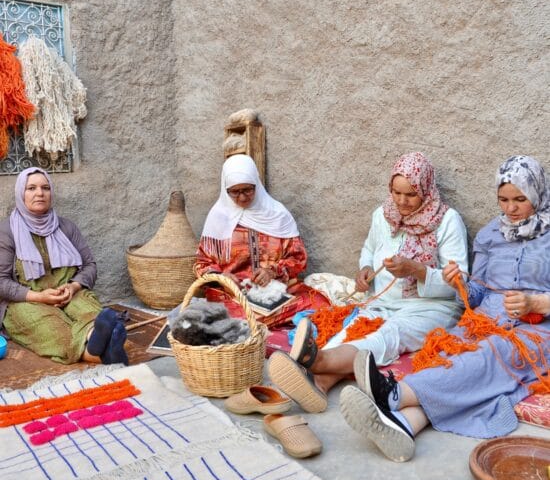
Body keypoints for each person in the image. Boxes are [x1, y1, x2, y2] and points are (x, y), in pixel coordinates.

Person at [339, 155, 550, 462]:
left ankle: (393, 395)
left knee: (491, 354)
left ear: (538, 194)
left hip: (536, 328)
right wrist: (460, 285)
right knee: (449, 352)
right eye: (503, 200)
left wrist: (536, 303)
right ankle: (404, 426)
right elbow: (476, 294)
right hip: (486, 317)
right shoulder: (492, 234)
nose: (511, 208)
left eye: (520, 199)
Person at [268, 151, 468, 412]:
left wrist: (416, 270)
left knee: (390, 334)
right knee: (354, 330)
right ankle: (320, 384)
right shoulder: (383, 214)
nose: (402, 201)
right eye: (396, 193)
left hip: (430, 307)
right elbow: (370, 250)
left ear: (427, 190)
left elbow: (460, 282)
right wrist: (364, 270)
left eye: (411, 194)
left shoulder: (447, 221)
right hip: (383, 302)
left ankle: (316, 363)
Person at [0, 167, 128, 365]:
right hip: (26, 300)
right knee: (51, 328)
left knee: (88, 311)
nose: (40, 193)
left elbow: (90, 265)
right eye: (31, 188)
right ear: (20, 194)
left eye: (45, 188)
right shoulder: (7, 231)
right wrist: (40, 296)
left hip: (68, 293)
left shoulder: (66, 227)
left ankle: (96, 338)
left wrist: (74, 286)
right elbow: (1, 282)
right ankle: (102, 353)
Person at [194, 154, 329, 327]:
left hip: (277, 291)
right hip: (234, 296)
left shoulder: (277, 214)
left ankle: (253, 325)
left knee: (319, 304)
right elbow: (201, 263)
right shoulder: (218, 218)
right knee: (225, 314)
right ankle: (257, 323)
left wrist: (273, 271)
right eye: (235, 192)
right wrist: (222, 277)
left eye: (248, 190)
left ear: (256, 184)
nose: (242, 198)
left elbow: (298, 258)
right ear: (225, 189)